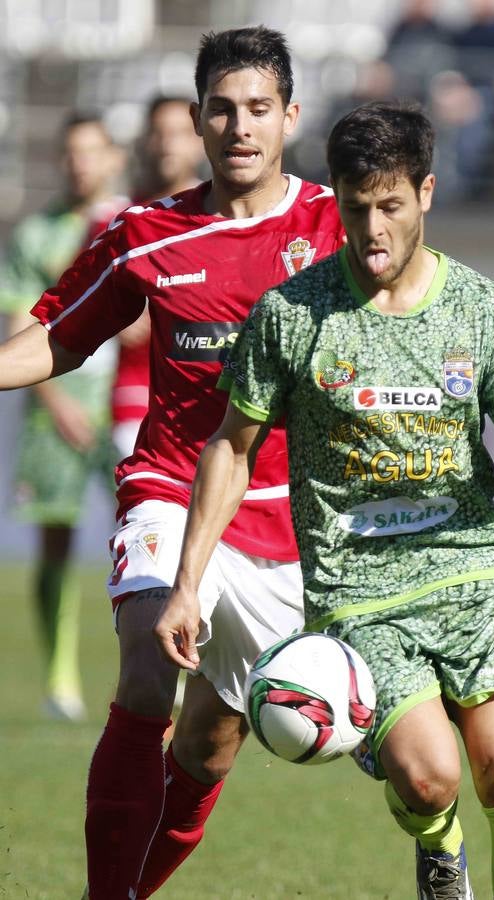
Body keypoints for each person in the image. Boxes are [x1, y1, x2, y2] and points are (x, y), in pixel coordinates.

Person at [156, 101, 494, 899]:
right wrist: (185, 583)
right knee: (429, 780)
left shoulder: (484, 309)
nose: (372, 228)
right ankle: (438, 848)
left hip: (475, 569)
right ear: (337, 198)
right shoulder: (292, 313)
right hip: (359, 588)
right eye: (355, 207)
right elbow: (230, 448)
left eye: (390, 206)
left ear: (427, 193)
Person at [0, 26, 345, 899]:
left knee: (210, 743)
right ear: (196, 120)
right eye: (222, 110)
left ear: (289, 116)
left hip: (285, 520)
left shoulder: (337, 227)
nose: (240, 127)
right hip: (169, 492)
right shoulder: (147, 233)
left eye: (259, 109)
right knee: (149, 669)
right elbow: (59, 336)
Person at [0, 112, 125, 722]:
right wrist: (56, 400)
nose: (80, 163)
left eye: (91, 151)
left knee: (151, 540)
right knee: (55, 541)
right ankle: (60, 681)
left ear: (113, 157)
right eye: (70, 152)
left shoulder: (135, 223)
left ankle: (162, 673)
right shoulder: (34, 236)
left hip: (128, 407)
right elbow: (20, 328)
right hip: (58, 414)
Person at [107, 93, 207, 460]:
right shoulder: (118, 220)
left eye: (179, 132)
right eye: (159, 132)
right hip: (131, 402)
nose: (167, 144)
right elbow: (70, 300)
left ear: (200, 139)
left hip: (210, 405)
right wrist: (111, 319)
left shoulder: (222, 219)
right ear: (144, 140)